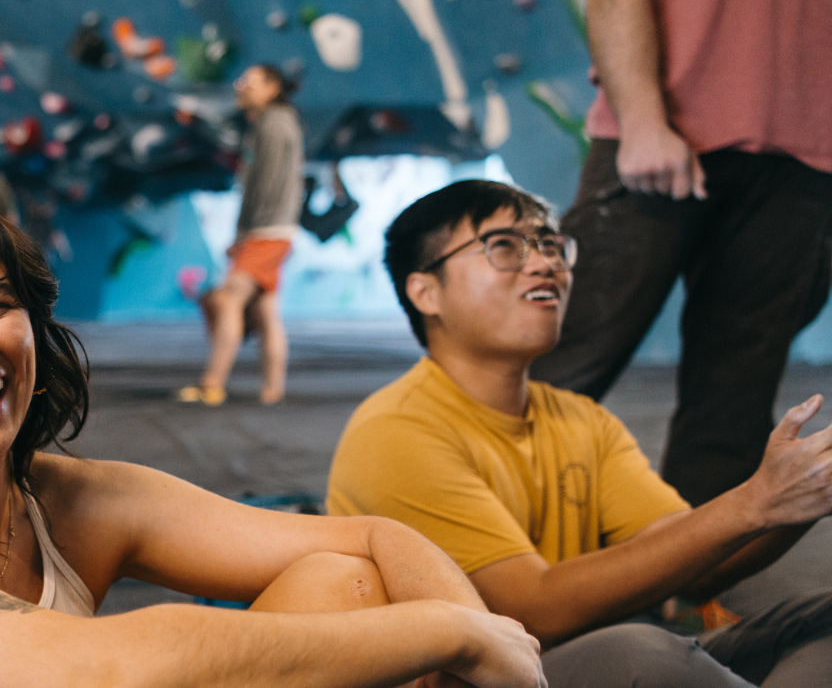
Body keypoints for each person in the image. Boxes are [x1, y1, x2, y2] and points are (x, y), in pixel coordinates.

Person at [0, 189, 543, 688]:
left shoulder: (69, 498)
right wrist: (449, 634)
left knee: (340, 584)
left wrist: (477, 641)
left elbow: (373, 541)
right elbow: (108, 675)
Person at [329, 180, 832, 686]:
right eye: (504, 246)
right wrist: (755, 502)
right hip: (497, 673)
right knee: (640, 652)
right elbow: (534, 610)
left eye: (551, 246)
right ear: (425, 291)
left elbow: (695, 566)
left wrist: (807, 488)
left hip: (602, 655)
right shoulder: (397, 430)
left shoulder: (581, 420)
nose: (545, 263)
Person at [529, 0, 832, 506]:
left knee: (735, 400)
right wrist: (642, 117)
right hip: (664, 126)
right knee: (555, 359)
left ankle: (694, 582)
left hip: (807, 151)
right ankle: (431, 552)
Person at [179, 63, 303, 407]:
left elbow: (266, 186)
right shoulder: (270, 124)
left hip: (267, 230)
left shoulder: (273, 124)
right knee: (265, 311)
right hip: (275, 229)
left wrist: (245, 234)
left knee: (228, 299)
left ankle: (212, 383)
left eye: (250, 81)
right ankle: (272, 390)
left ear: (272, 87)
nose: (241, 86)